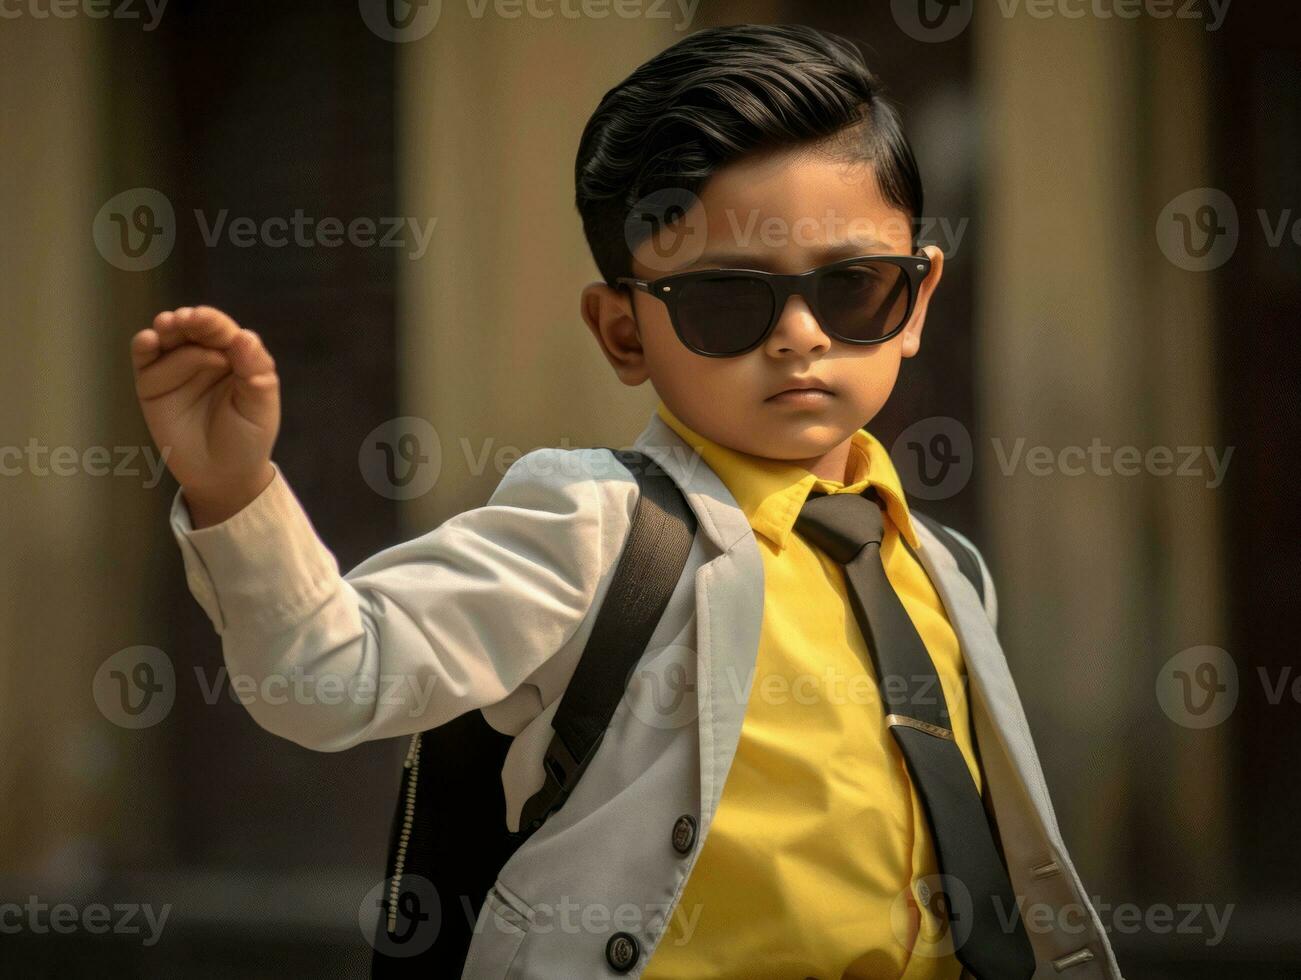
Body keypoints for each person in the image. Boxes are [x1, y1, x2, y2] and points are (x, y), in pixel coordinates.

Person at [130, 23, 1120, 980]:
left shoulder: (946, 572)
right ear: (622, 331)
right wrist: (233, 488)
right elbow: (326, 673)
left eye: (853, 287)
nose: (798, 334)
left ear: (916, 299)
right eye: (726, 300)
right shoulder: (598, 527)